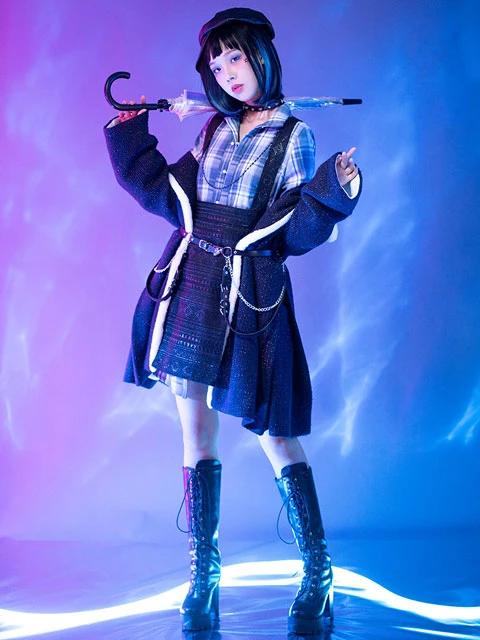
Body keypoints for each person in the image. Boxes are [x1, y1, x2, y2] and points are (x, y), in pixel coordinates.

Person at [104, 7, 361, 635]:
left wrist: (334, 190)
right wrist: (131, 133)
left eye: (236, 57)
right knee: (195, 433)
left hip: (251, 289)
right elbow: (171, 196)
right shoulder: (214, 127)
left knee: (274, 431)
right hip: (192, 279)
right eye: (216, 66)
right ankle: (205, 576)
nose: (227, 73)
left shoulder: (294, 135)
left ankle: (318, 572)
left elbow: (294, 231)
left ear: (261, 55)